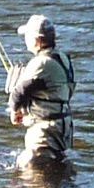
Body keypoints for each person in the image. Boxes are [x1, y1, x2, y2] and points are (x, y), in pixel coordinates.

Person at [6, 13, 76, 169]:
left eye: (27, 36)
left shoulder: (40, 63)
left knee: (31, 175)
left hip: (45, 133)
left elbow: (19, 93)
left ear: (37, 40)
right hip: (62, 131)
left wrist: (14, 111)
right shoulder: (63, 58)